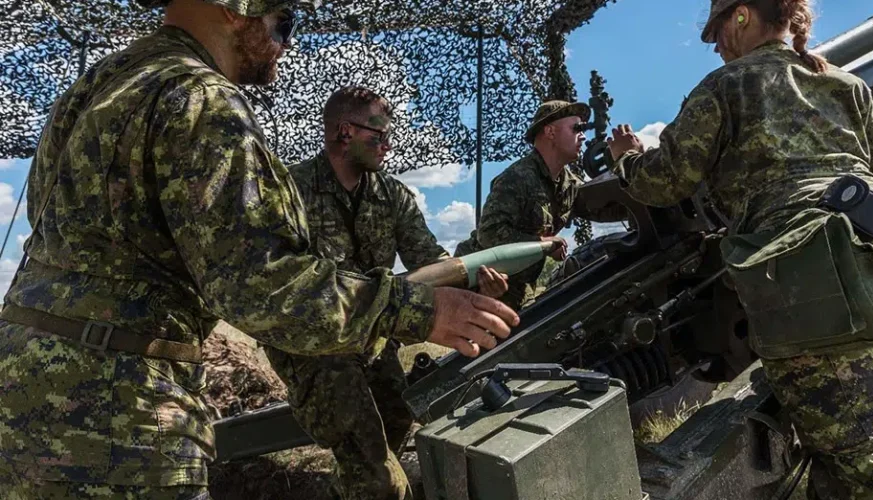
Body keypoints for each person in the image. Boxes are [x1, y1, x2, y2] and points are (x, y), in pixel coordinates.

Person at [0, 0, 518, 498]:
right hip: (115, 416)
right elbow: (262, 284)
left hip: (24, 391)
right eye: (281, 22)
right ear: (234, 9)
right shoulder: (202, 99)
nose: (284, 44)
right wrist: (420, 309)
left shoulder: (98, 86)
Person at [606, 0, 873, 498]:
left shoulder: (725, 87)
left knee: (860, 463)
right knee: (857, 438)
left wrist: (627, 160)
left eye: (717, 31)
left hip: (810, 291)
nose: (717, 45)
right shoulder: (847, 86)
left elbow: (664, 182)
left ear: (741, 17)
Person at [267, 86, 508, 500]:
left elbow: (427, 257)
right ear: (345, 132)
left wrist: (472, 281)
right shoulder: (291, 190)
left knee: (396, 418)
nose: (389, 147)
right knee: (381, 480)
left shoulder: (391, 194)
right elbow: (282, 284)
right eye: (379, 136)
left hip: (375, 342)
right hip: (316, 350)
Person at [455, 100, 588, 310]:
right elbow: (489, 233)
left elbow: (604, 205)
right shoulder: (517, 178)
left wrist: (626, 163)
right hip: (477, 283)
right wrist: (543, 245)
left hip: (517, 290)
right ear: (550, 132)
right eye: (576, 128)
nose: (583, 135)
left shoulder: (569, 184)